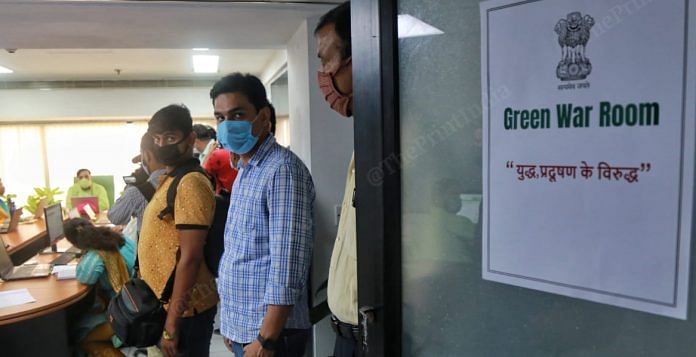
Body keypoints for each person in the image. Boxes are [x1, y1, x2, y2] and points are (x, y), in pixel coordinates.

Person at [212, 73, 315, 357]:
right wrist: (231, 327)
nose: (227, 125)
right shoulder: (245, 169)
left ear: (263, 116)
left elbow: (288, 264)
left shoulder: (282, 170)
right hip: (244, 328)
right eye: (220, 118)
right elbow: (242, 251)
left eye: (237, 114)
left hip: (270, 336)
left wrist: (266, 339)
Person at [138, 104, 218, 357]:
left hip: (185, 310)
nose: (162, 145)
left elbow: (191, 257)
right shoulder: (172, 178)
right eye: (157, 139)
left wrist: (171, 326)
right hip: (164, 306)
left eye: (170, 137)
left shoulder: (191, 182)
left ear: (191, 139)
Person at [315, 2, 361, 356]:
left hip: (372, 337)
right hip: (347, 334)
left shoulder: (403, 141)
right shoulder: (365, 141)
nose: (323, 75)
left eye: (326, 59)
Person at [63, 217, 136, 357]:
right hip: (141, 300)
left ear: (75, 244)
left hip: (126, 314)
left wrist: (84, 258)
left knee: (82, 338)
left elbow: (85, 277)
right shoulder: (122, 239)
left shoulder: (95, 256)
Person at [108, 132, 167, 236]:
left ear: (147, 155)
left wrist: (132, 184)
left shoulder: (137, 192)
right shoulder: (188, 180)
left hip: (148, 250)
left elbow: (115, 216)